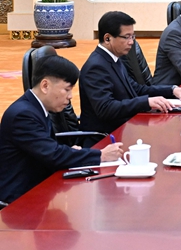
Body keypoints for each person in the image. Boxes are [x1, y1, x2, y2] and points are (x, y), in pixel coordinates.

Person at [0, 56, 124, 206]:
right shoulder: (23, 115)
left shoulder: (36, 108)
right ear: (45, 85)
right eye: (67, 89)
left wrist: (72, 152)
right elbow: (53, 155)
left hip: (40, 189)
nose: (70, 96)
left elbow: (46, 149)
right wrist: (101, 155)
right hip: (19, 201)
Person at [79, 11, 181, 136]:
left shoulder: (114, 59)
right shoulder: (96, 67)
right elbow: (106, 108)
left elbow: (137, 89)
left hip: (125, 129)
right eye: (127, 37)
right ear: (107, 38)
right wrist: (146, 102)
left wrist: (172, 90)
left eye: (132, 37)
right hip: (104, 138)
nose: (131, 42)